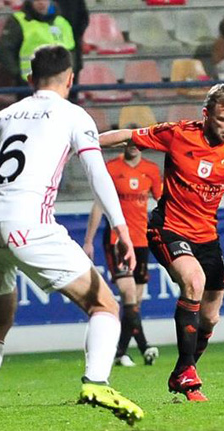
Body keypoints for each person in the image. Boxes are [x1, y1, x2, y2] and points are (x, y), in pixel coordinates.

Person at [0, 45, 144, 431]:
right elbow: (96, 173)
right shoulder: (74, 115)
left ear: (30, 79)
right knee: (104, 305)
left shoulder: (3, 116)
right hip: (30, 224)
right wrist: (121, 226)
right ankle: (96, 381)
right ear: (71, 79)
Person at [99, 83, 224, 402]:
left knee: (210, 317)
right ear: (206, 114)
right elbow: (128, 136)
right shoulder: (178, 134)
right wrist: (82, 143)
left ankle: (183, 371)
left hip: (207, 236)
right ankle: (188, 375)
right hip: (168, 229)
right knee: (194, 280)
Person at [83, 139, 162, 367]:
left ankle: (120, 352)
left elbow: (162, 203)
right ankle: (144, 346)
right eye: (129, 142)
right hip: (117, 240)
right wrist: (88, 241)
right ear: (124, 145)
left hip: (142, 240)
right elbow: (99, 204)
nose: (133, 146)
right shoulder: (112, 168)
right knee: (128, 295)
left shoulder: (151, 170)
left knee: (136, 300)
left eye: (138, 143)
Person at [0, 0, 76, 87]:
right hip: (29, 84)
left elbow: (71, 51)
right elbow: (5, 50)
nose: (41, 2)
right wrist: (17, 74)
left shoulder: (62, 23)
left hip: (59, 83)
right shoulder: (19, 21)